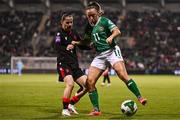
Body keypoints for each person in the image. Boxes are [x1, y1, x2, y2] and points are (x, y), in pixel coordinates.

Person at [76, 2, 147, 116]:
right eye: (88, 16)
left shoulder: (104, 21)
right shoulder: (88, 27)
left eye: (93, 15)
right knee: (90, 82)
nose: (90, 18)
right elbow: (87, 41)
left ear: (98, 14)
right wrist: (78, 43)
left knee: (122, 74)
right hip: (100, 55)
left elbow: (117, 31)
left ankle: (140, 97)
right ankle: (96, 109)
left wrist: (111, 36)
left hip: (112, 51)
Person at [54, 12, 88, 116]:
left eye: (71, 22)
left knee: (88, 85)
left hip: (74, 65)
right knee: (70, 84)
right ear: (62, 22)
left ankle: (71, 104)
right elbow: (57, 47)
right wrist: (67, 47)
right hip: (63, 63)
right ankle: (64, 109)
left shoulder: (74, 33)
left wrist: (90, 45)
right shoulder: (59, 34)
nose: (69, 24)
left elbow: (81, 45)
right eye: (67, 22)